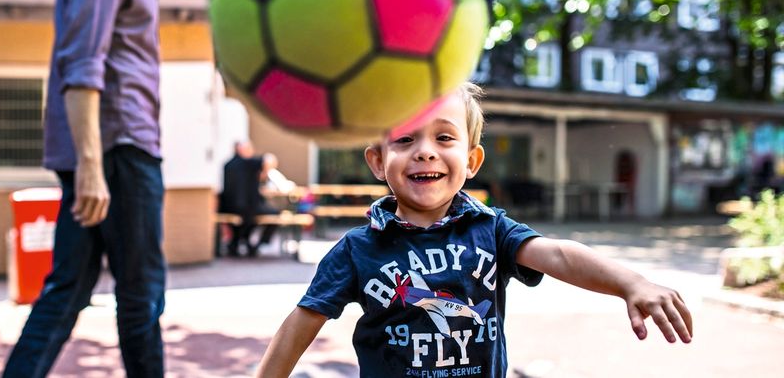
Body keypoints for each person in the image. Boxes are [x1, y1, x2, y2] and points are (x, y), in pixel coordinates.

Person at [256, 83, 693, 377]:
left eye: (444, 139)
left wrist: (631, 283)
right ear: (376, 161)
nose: (425, 152)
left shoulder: (492, 229)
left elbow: (558, 255)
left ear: (471, 161)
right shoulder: (359, 248)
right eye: (405, 140)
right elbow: (302, 322)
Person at [2, 0, 204, 378]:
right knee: (142, 294)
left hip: (114, 149)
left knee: (69, 288)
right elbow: (83, 61)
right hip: (118, 149)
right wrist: (91, 165)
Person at [218, 141, 279, 257]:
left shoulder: (227, 164)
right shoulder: (249, 163)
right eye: (249, 149)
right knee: (274, 214)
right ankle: (257, 244)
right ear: (242, 150)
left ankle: (236, 243)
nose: (251, 151)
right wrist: (265, 172)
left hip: (227, 206)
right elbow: (269, 160)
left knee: (247, 221)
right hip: (248, 208)